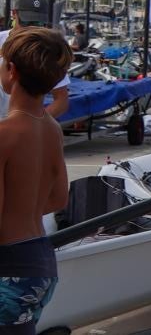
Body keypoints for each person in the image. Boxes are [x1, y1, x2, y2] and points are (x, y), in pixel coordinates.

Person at [0, 28, 74, 333]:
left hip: (8, 264)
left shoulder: (5, 133)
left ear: (12, 71)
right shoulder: (51, 128)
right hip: (39, 262)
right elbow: (58, 199)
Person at [0, 0, 70, 120]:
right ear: (14, 14)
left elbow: (61, 100)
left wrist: (33, 123)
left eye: (38, 23)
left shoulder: (48, 48)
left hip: (21, 127)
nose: (31, 29)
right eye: (27, 22)